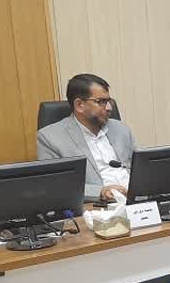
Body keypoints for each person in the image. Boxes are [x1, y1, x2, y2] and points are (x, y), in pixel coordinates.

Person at [37, 74, 136, 202]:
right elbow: (55, 185)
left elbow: (139, 167)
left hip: (136, 199)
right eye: (101, 102)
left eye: (109, 101)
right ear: (79, 105)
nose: (109, 108)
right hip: (98, 205)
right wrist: (101, 191)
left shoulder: (121, 128)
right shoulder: (50, 137)